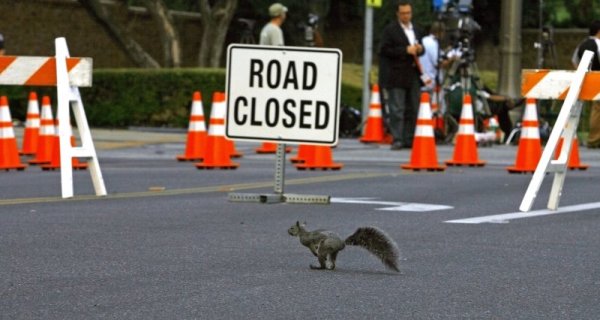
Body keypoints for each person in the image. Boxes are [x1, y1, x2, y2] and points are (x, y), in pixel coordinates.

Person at [379, 1, 425, 150]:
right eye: (403, 13)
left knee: (413, 107)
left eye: (408, 13)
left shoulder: (416, 29)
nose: (406, 16)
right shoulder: (390, 30)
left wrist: (420, 49)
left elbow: (421, 49)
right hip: (396, 73)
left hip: (413, 73)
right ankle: (397, 138)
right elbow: (384, 50)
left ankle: (409, 137)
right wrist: (405, 50)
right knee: (397, 108)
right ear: (398, 14)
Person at [574, 20, 600, 148]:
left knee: (591, 110)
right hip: (597, 80)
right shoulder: (598, 44)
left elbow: (574, 61)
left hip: (583, 79)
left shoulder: (582, 44)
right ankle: (594, 139)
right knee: (597, 110)